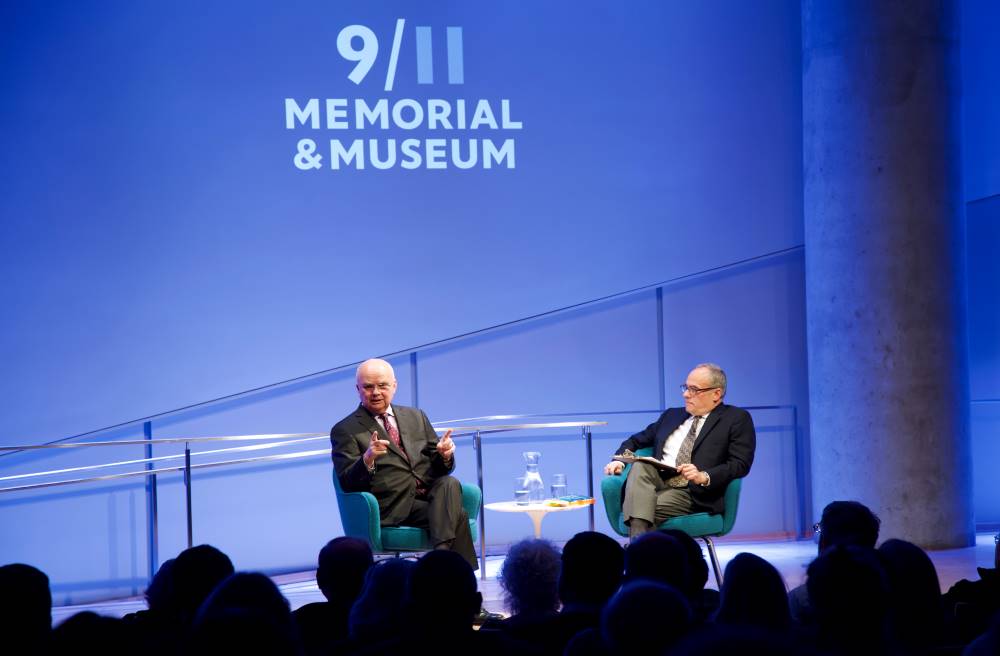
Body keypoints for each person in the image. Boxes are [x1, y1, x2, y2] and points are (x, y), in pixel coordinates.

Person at [330, 358, 477, 569]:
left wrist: (444, 455)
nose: (376, 392)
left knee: (449, 482)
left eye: (382, 385)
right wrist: (368, 458)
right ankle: (454, 578)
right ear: (358, 389)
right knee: (458, 515)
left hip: (430, 495)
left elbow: (438, 467)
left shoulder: (415, 416)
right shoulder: (345, 429)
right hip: (394, 504)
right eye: (368, 387)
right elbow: (347, 482)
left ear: (394, 386)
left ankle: (441, 563)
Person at [603, 363, 756, 537]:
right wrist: (619, 460)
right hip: (655, 482)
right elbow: (635, 441)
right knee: (640, 467)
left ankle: (638, 557)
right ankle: (648, 558)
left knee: (640, 508)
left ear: (716, 394)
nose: (685, 394)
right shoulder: (672, 415)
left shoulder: (736, 418)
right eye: (685, 387)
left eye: (694, 389)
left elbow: (740, 463)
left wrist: (704, 476)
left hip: (692, 492)